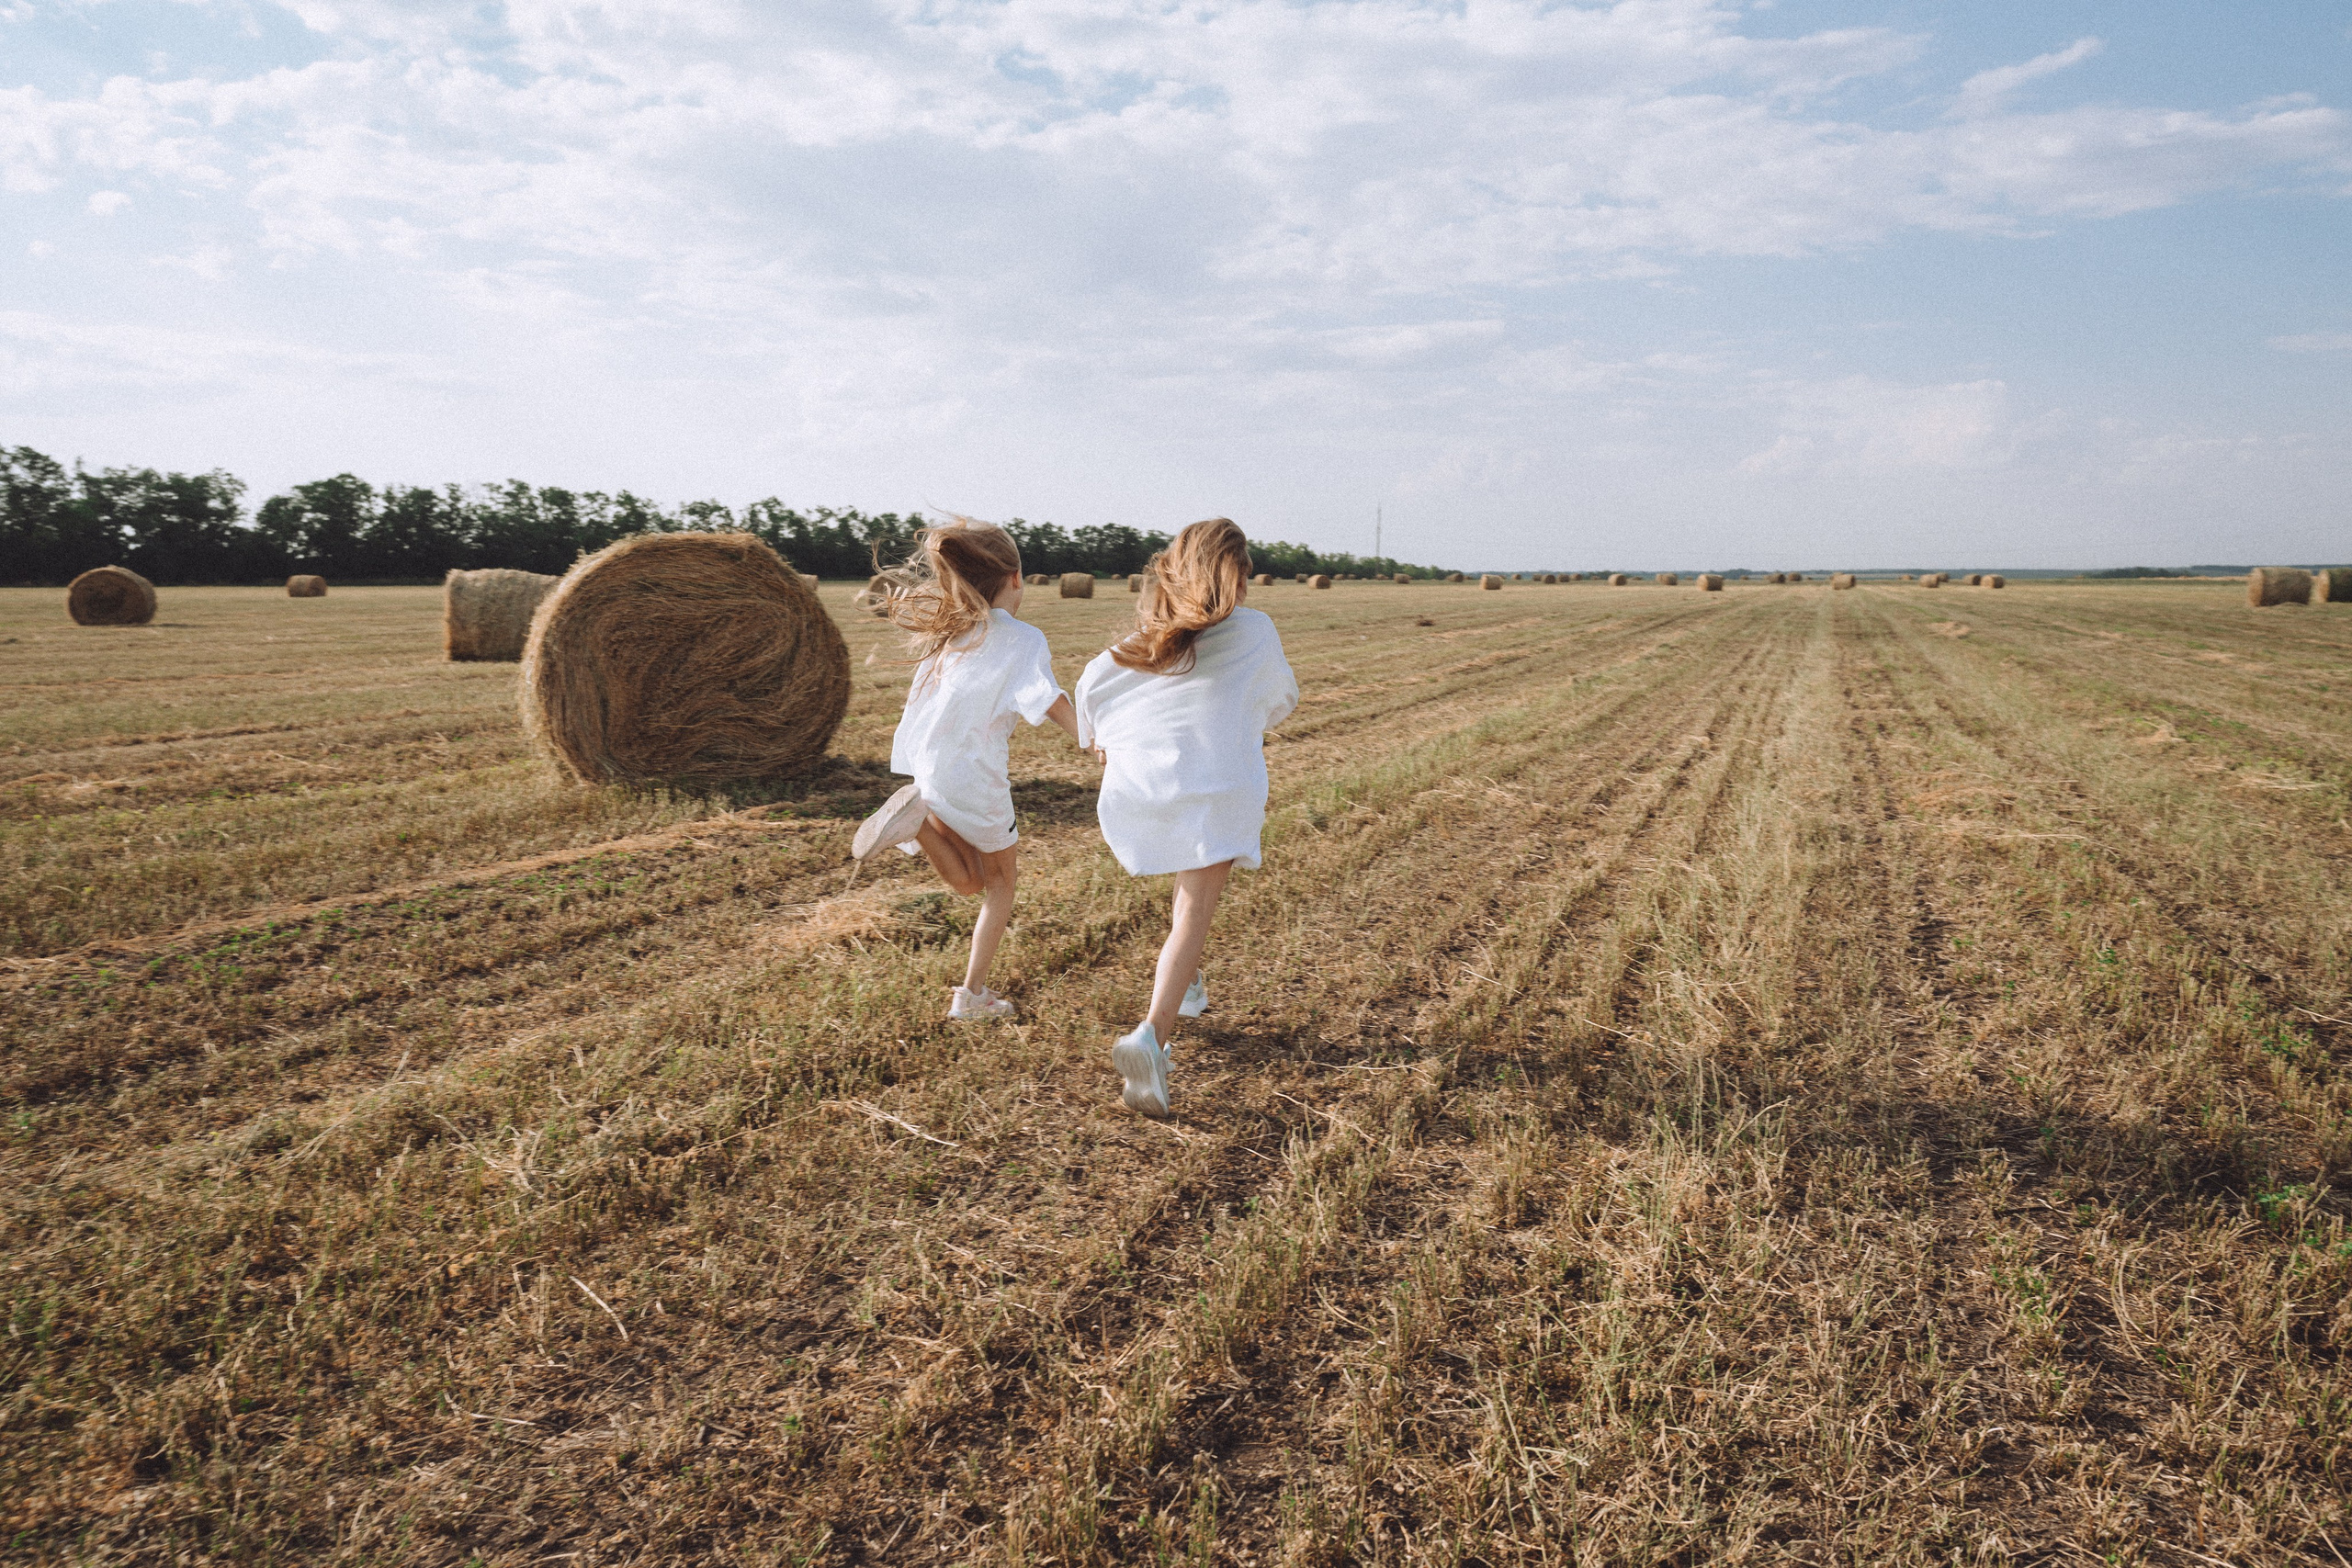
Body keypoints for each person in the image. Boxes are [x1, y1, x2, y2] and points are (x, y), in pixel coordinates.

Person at [1074, 517, 1298, 1117]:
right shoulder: (1255, 629)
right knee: (1194, 911)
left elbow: (1090, 692)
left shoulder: (1144, 639)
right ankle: (1151, 1036)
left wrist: (1100, 739)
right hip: (1217, 786)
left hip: (1147, 787)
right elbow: (1282, 700)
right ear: (1239, 575)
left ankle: (1188, 986)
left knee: (1185, 901)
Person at [852, 518, 1079, 1021]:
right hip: (975, 777)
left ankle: (916, 824)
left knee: (973, 882)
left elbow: (918, 709)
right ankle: (972, 996)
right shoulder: (1021, 638)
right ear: (1016, 579)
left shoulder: (952, 640)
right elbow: (1048, 698)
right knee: (1000, 887)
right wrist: (1093, 737)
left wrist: (913, 773)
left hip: (930, 773)